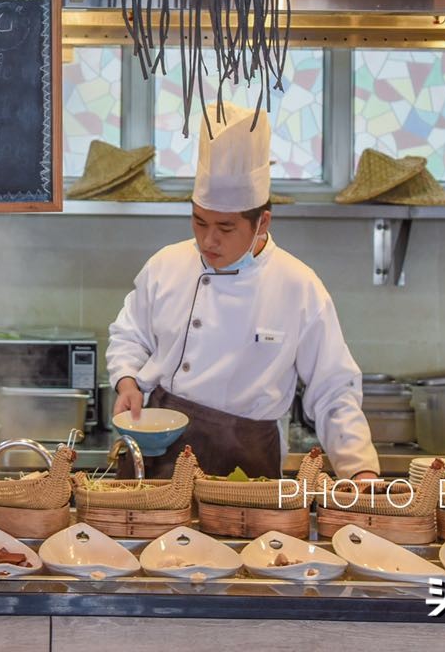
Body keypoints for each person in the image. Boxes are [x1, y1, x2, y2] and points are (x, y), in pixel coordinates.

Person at [107, 105, 379, 482]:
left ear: (262, 222)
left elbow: (334, 389)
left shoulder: (298, 285)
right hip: (157, 460)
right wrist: (127, 381)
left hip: (248, 471)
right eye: (199, 221)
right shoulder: (165, 265)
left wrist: (360, 469)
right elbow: (129, 336)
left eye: (225, 227)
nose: (208, 240)